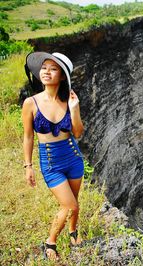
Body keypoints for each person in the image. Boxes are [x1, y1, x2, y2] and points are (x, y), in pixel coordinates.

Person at [22, 52, 84, 260]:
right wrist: (28, 166)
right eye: (44, 68)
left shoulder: (70, 101)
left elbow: (77, 133)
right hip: (51, 163)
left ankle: (73, 232)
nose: (47, 72)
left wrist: (74, 110)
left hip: (73, 157)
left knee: (74, 201)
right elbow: (29, 136)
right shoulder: (31, 103)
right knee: (69, 205)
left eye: (53, 68)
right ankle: (50, 243)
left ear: (62, 76)